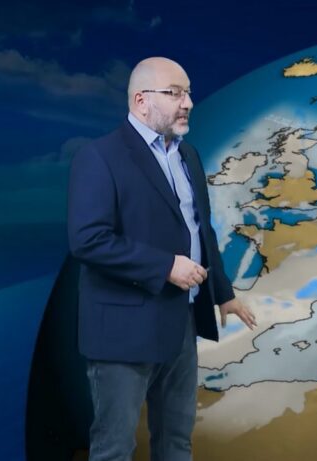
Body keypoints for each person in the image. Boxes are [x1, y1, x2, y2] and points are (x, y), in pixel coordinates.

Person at [67, 56, 257, 461]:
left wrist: (223, 293)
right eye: (174, 93)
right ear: (141, 101)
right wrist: (165, 266)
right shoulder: (99, 157)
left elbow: (199, 230)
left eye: (188, 93)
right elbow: (88, 240)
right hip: (122, 332)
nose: (187, 102)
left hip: (180, 325)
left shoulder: (188, 156)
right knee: (115, 449)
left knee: (176, 442)